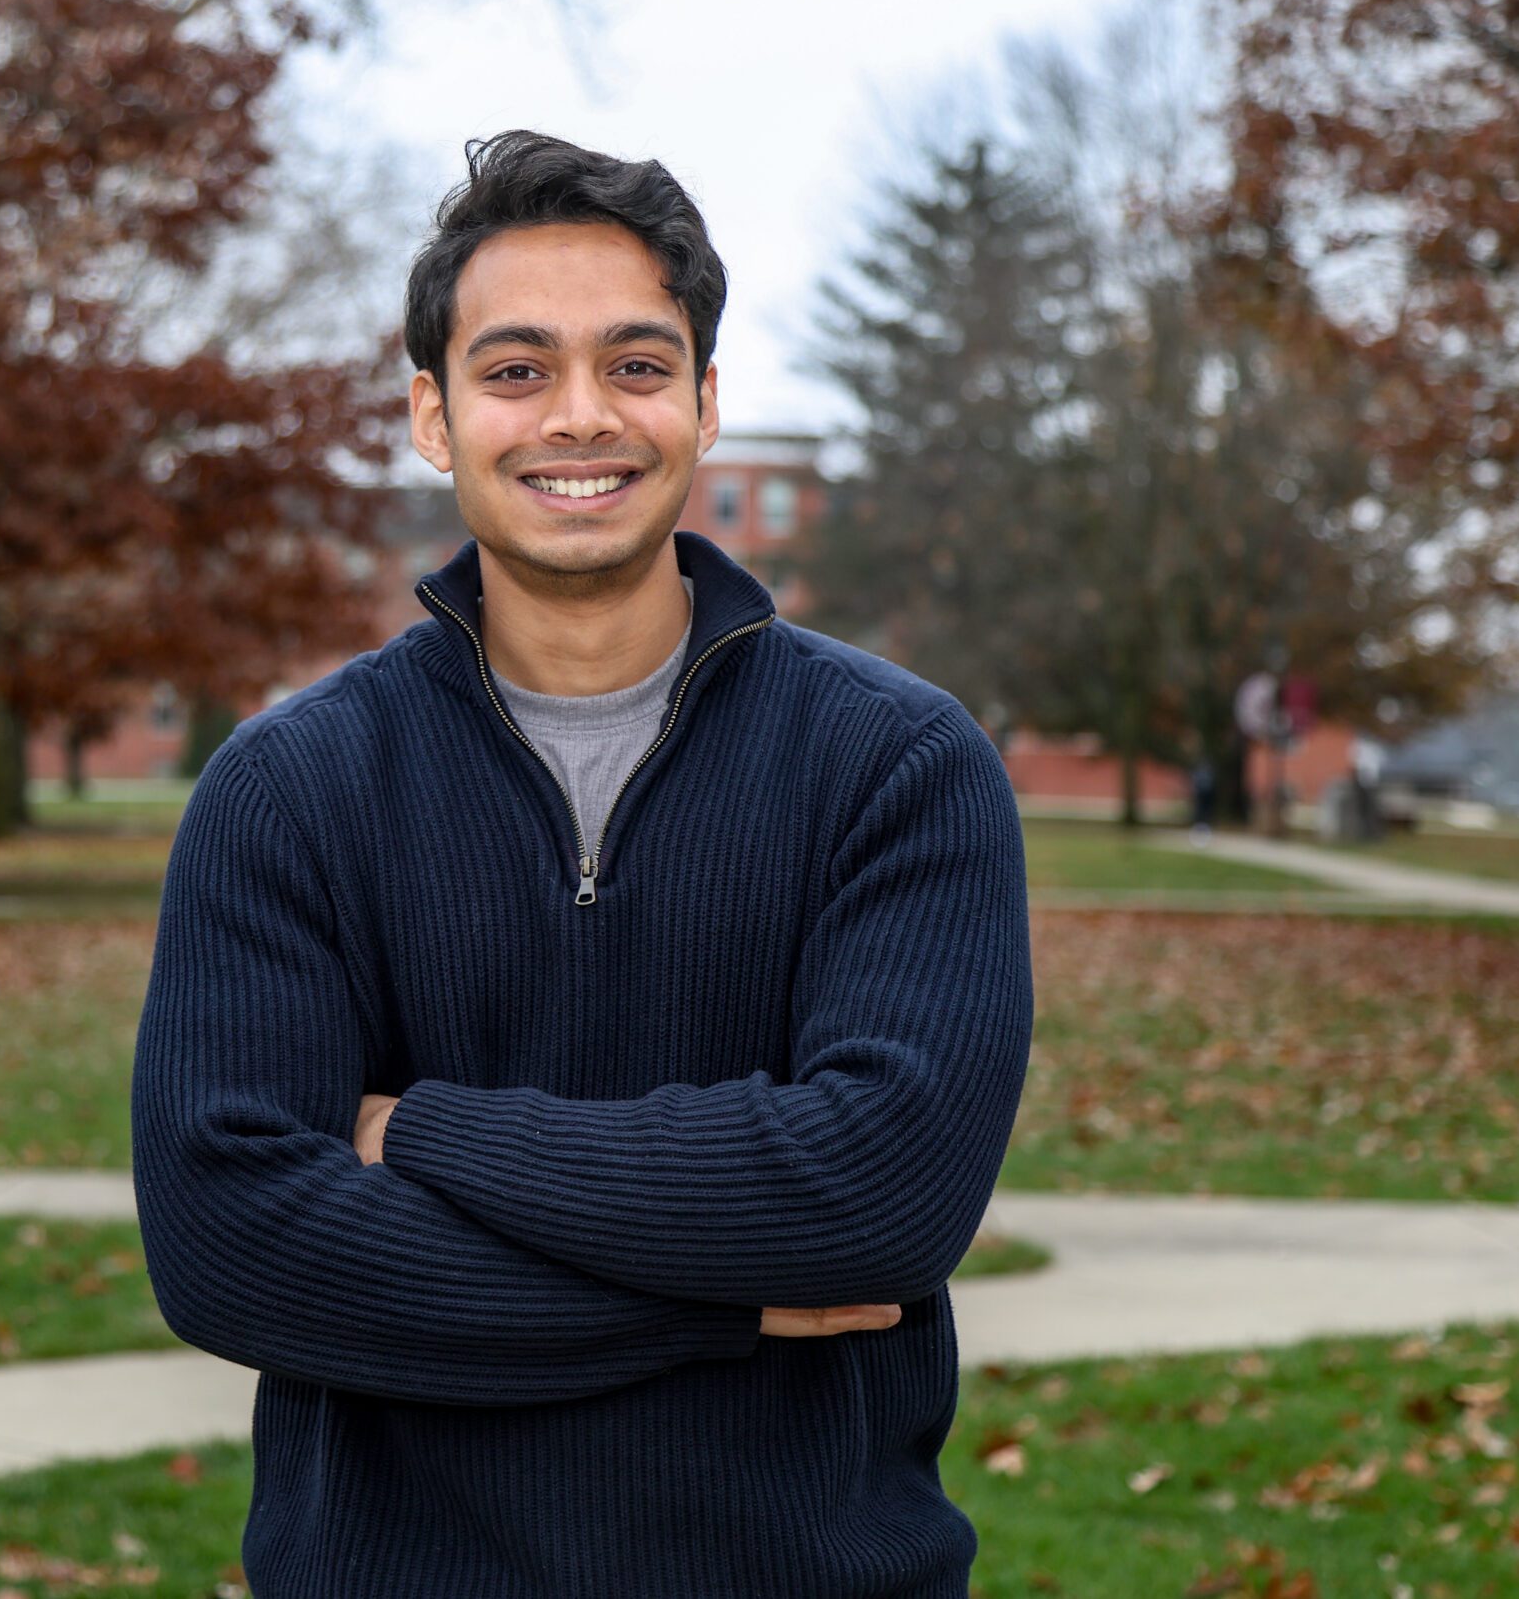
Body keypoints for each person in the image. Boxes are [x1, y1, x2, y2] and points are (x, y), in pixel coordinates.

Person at [130, 129, 1035, 1599]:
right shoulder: (290, 789)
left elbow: (881, 1201)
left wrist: (419, 1137)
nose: (578, 418)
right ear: (433, 417)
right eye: (514, 371)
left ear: (703, 404)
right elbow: (234, 1248)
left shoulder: (898, 765)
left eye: (633, 363)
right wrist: (733, 1308)